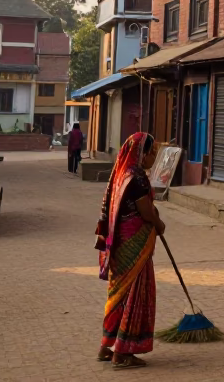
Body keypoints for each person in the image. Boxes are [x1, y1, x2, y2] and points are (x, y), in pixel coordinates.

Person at [95, 132, 165, 369]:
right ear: (141, 153)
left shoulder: (121, 175)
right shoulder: (137, 179)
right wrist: (159, 223)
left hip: (119, 243)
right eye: (152, 151)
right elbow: (145, 212)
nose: (154, 156)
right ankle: (123, 353)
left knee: (117, 294)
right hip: (134, 244)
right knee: (135, 293)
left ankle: (107, 346)